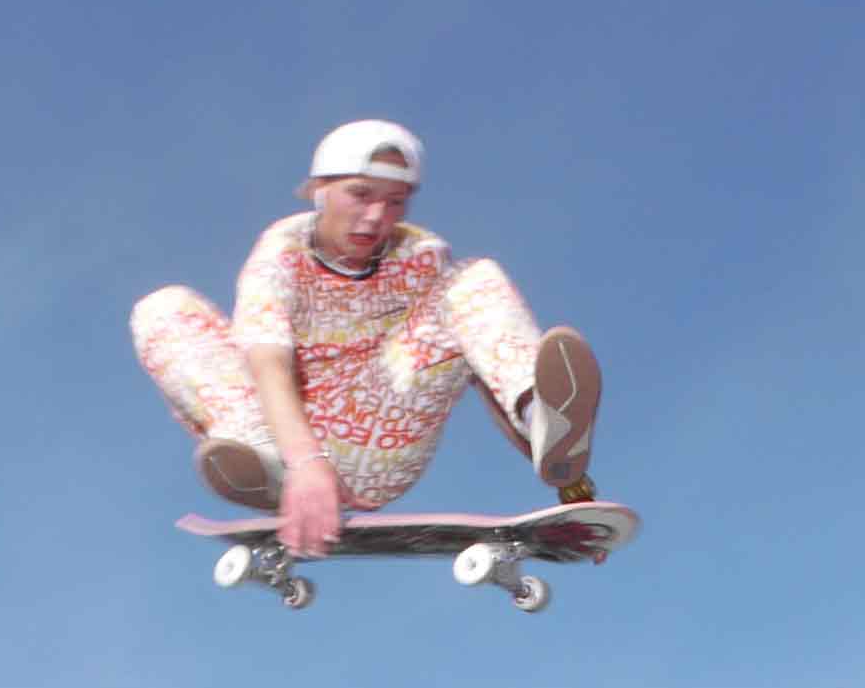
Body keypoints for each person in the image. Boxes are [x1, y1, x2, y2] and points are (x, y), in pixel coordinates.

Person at [130, 121, 603, 565]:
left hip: (378, 431)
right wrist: (305, 462)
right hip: (281, 436)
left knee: (474, 280)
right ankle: (267, 469)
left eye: (396, 201)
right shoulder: (280, 255)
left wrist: (568, 484)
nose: (377, 217)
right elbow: (268, 363)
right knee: (163, 308)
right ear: (319, 190)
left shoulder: (421, 258)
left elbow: (479, 365)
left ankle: (538, 415)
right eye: (360, 195)